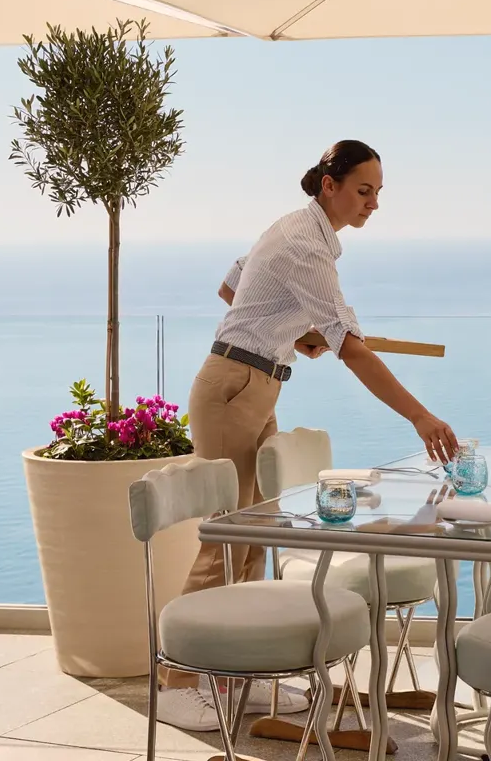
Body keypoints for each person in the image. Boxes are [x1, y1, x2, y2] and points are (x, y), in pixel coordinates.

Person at [158, 139, 457, 731]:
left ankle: (233, 669)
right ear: (330, 184)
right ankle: (179, 682)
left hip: (256, 382)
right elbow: (353, 350)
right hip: (234, 386)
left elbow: (234, 289)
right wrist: (420, 417)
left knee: (252, 535)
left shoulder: (305, 233)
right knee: (224, 538)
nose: (373, 203)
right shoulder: (304, 245)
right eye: (363, 190)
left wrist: (297, 334)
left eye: (377, 193)